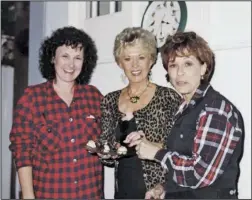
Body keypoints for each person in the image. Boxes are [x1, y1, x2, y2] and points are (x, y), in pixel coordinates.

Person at [125, 31, 245, 199]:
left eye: (188, 64)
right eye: (173, 65)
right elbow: (184, 159)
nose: (179, 72)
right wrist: (163, 188)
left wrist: (156, 153)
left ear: (203, 68)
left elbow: (199, 174)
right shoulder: (184, 106)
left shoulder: (215, 110)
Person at [9, 26, 104, 199]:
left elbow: (108, 139)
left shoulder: (94, 96)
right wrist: (28, 195)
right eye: (65, 56)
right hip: (49, 194)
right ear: (53, 58)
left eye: (77, 58)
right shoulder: (32, 98)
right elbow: (21, 151)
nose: (71, 64)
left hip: (90, 194)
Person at [97, 27, 182, 199]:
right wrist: (104, 152)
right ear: (120, 63)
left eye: (141, 57)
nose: (135, 65)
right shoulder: (110, 100)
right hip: (123, 191)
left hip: (158, 191)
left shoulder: (168, 97)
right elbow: (108, 159)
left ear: (151, 59)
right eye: (128, 59)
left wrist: (150, 145)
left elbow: (180, 150)